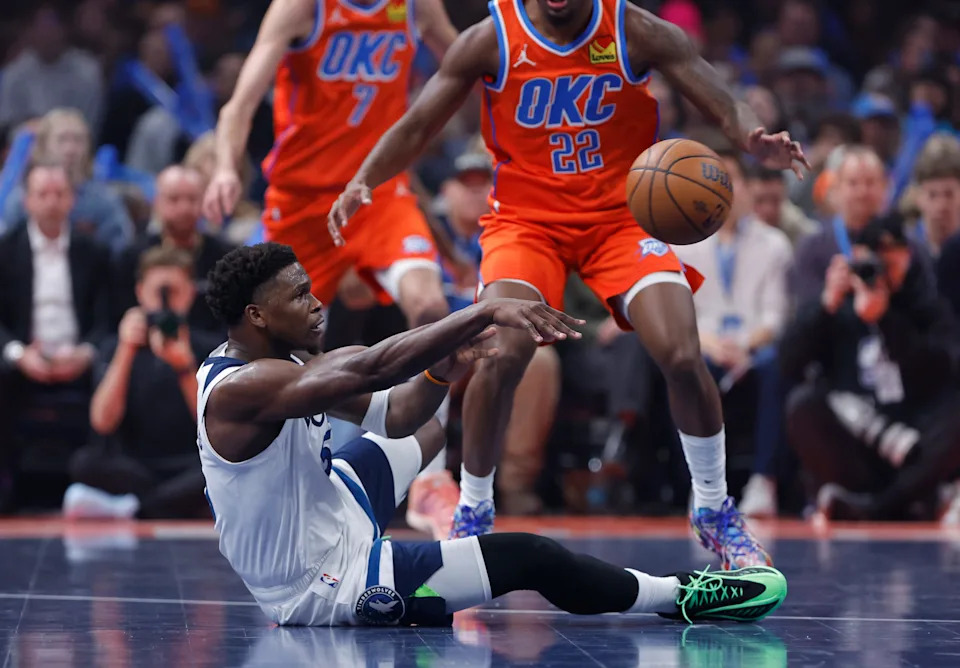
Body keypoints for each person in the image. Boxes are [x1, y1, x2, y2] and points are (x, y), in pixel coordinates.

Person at [329, 0, 808, 567]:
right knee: (500, 350)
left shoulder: (632, 29)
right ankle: (474, 511)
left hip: (622, 218)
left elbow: (714, 90)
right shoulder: (492, 39)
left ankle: (712, 510)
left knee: (681, 351)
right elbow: (417, 124)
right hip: (526, 225)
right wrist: (365, 177)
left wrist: (751, 136)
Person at [197, 242, 787, 627]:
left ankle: (432, 499)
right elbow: (371, 366)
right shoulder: (239, 390)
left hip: (333, 511)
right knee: (531, 557)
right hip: (320, 585)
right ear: (256, 316)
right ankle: (680, 595)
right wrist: (481, 312)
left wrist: (440, 371)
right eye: (299, 295)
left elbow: (397, 412)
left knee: (423, 434)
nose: (317, 302)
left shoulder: (290, 364)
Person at [201, 0, 463, 538]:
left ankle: (433, 483)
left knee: (432, 307)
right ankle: (263, 476)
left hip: (377, 190)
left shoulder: (415, 6)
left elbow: (472, 62)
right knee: (281, 349)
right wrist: (226, 167)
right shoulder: (302, 8)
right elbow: (238, 106)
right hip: (301, 201)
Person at [781, 212, 960, 521]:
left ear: (907, 256)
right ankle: (870, 499)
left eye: (891, 256)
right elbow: (788, 364)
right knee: (802, 404)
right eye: (872, 258)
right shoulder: (838, 304)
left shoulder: (926, 302)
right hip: (858, 439)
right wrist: (824, 306)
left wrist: (886, 319)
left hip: (916, 438)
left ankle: (885, 505)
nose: (880, 268)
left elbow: (941, 371)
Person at [674, 150, 793, 518]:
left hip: (755, 350)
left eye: (733, 179)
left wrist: (743, 346)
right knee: (679, 363)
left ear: (747, 188)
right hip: (705, 347)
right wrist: (710, 344)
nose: (724, 188)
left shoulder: (775, 244)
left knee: (779, 365)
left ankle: (764, 481)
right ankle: (700, 486)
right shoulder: (681, 243)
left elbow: (776, 317)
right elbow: (682, 315)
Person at [63, 247, 223, 520]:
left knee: (222, 471)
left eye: (173, 292)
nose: (164, 302)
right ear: (139, 292)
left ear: (189, 293)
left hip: (190, 463)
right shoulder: (117, 345)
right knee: (84, 462)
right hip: (136, 465)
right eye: (157, 292)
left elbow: (217, 430)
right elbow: (102, 422)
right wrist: (126, 350)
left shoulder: (210, 348)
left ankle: (133, 508)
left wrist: (184, 367)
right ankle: (162, 504)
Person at [113, 166, 234, 334]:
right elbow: (116, 319)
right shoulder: (131, 256)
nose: (184, 208)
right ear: (156, 202)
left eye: (192, 199)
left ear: (204, 201)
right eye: (174, 199)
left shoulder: (227, 258)